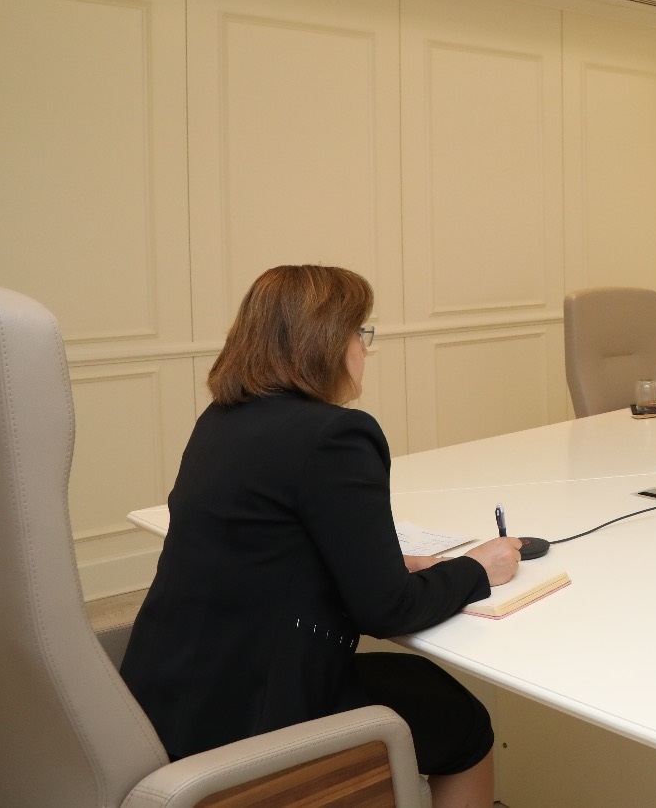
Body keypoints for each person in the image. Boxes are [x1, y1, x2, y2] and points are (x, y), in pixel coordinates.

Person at [120, 266, 520, 808]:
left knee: (417, 680)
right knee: (463, 721)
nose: (364, 348)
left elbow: (268, 548)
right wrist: (478, 569)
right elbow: (389, 612)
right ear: (327, 342)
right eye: (360, 332)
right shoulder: (336, 436)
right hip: (261, 716)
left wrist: (382, 563)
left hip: (168, 704)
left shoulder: (221, 419)